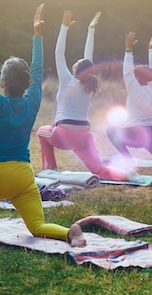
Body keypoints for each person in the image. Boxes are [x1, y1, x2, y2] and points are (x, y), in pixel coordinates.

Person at [0, 4, 86, 247]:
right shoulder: (32, 102)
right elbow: (38, 70)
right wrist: (37, 35)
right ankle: (69, 233)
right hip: (22, 178)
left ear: (4, 81)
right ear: (26, 81)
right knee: (37, 227)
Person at [37, 10, 132, 181]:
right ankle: (128, 176)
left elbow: (59, 53)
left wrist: (64, 27)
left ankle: (50, 169)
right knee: (99, 170)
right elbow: (89, 57)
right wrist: (91, 30)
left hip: (64, 134)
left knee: (41, 132)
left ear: (75, 69)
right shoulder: (89, 85)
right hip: (84, 135)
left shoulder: (68, 80)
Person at [106, 31, 152, 167]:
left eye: (136, 76)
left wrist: (129, 50)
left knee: (111, 131)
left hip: (136, 134)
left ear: (139, 78)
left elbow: (127, 73)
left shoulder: (136, 91)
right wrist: (151, 50)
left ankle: (128, 161)